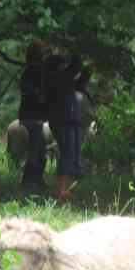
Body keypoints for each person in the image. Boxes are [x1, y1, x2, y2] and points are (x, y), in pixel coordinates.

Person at [43, 53, 91, 201]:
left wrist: (88, 71)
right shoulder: (55, 78)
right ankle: (61, 190)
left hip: (70, 120)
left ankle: (66, 189)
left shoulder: (61, 79)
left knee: (72, 155)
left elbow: (79, 85)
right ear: (57, 67)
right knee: (67, 154)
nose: (65, 67)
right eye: (62, 65)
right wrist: (78, 49)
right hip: (63, 120)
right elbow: (74, 68)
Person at [17, 42, 51, 188]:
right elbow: (29, 90)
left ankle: (36, 178)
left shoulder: (31, 71)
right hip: (33, 116)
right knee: (36, 149)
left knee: (40, 149)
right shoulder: (36, 72)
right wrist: (39, 94)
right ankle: (29, 180)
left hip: (30, 114)